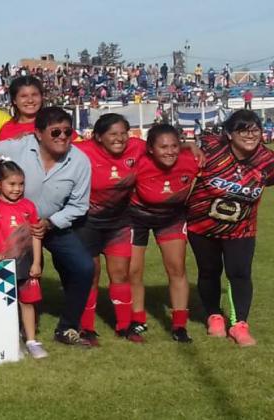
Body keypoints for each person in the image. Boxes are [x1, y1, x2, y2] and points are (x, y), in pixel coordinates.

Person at [0, 107, 94, 346]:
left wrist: (50, 223)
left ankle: (67, 326)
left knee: (84, 267)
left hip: (52, 224)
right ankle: (10, 326)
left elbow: (79, 205)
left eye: (68, 131)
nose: (62, 137)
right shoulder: (17, 147)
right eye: (55, 132)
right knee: (16, 274)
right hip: (14, 223)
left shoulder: (79, 160)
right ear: (38, 133)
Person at [187, 110, 274, 347]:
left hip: (241, 229)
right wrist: (189, 147)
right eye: (243, 130)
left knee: (239, 273)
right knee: (208, 271)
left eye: (255, 129)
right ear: (229, 133)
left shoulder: (267, 161)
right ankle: (214, 315)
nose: (250, 135)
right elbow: (180, 143)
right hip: (202, 225)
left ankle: (239, 324)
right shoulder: (211, 149)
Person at [73, 114, 146, 344]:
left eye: (124, 133)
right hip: (88, 223)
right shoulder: (82, 150)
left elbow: (164, 143)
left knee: (120, 275)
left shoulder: (137, 147)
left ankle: (124, 326)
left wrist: (190, 145)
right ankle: (87, 328)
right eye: (113, 134)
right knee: (91, 276)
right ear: (98, 137)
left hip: (120, 222)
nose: (120, 138)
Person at [128, 124, 198, 343]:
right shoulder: (139, 162)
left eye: (175, 146)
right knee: (134, 270)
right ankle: (138, 319)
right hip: (136, 216)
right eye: (163, 147)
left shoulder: (192, 161)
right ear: (150, 149)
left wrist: (191, 145)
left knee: (176, 268)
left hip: (171, 217)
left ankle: (179, 325)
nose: (170, 151)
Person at [0, 160, 45, 358]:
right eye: (11, 184)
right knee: (5, 303)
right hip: (2, 264)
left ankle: (31, 340)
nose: (17, 189)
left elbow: (36, 235)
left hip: (25, 263)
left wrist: (36, 262)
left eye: (21, 184)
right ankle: (11, 341)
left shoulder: (29, 206)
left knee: (27, 302)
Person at [0, 76, 44, 141]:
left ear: (42, 97)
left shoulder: (54, 123)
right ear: (14, 100)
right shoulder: (7, 130)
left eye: (34, 95)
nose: (30, 100)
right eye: (24, 96)